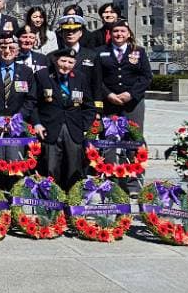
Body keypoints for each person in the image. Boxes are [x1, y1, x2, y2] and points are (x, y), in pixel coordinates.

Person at [95, 19, 152, 193]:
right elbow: (97, 78)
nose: (119, 34)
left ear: (128, 34)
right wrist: (108, 95)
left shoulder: (139, 52)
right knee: (109, 141)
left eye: (122, 31)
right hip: (110, 104)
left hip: (132, 104)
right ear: (110, 34)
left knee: (133, 140)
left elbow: (146, 77)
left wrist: (130, 94)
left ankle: (133, 182)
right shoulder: (100, 52)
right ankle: (111, 180)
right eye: (115, 31)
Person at [0, 32, 37, 188]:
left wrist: (18, 119)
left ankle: (15, 202)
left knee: (15, 166)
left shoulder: (26, 72)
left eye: (11, 47)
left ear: (18, 50)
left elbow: (30, 99)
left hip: (16, 128)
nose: (7, 50)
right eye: (3, 47)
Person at [32, 47, 96, 189]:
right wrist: (37, 123)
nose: (66, 65)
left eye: (70, 62)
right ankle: (52, 200)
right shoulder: (42, 75)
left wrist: (83, 126)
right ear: (55, 60)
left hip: (73, 129)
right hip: (50, 127)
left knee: (74, 168)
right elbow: (33, 103)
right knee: (51, 167)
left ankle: (72, 201)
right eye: (63, 61)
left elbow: (89, 106)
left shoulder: (80, 77)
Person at [56, 14, 101, 108]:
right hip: (60, 107)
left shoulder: (92, 56)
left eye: (74, 30)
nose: (70, 33)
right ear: (61, 33)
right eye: (66, 30)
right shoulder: (52, 57)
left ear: (80, 33)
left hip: (85, 107)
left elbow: (96, 84)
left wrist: (98, 109)